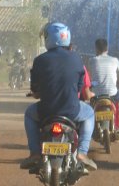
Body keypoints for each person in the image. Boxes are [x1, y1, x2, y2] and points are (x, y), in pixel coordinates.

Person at [21, 22, 97, 171]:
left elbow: (35, 91)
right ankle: (82, 153)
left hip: (46, 111)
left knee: (29, 114)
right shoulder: (76, 59)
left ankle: (35, 153)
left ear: (49, 39)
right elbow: (79, 87)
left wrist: (39, 92)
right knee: (89, 113)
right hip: (72, 111)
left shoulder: (40, 60)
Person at [88, 38, 119, 134]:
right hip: (112, 94)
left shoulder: (92, 61)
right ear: (107, 48)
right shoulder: (115, 60)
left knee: (88, 105)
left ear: (96, 49)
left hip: (96, 95)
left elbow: (91, 78)